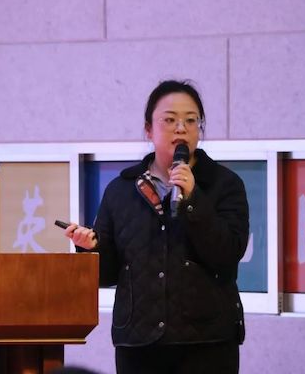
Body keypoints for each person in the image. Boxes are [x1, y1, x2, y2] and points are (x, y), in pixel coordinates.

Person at [65, 80, 249, 374]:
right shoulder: (121, 190)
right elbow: (109, 273)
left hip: (208, 342)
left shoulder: (224, 184)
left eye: (191, 120)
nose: (181, 128)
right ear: (149, 129)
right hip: (139, 344)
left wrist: (193, 199)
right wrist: (91, 249)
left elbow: (227, 254)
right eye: (170, 120)